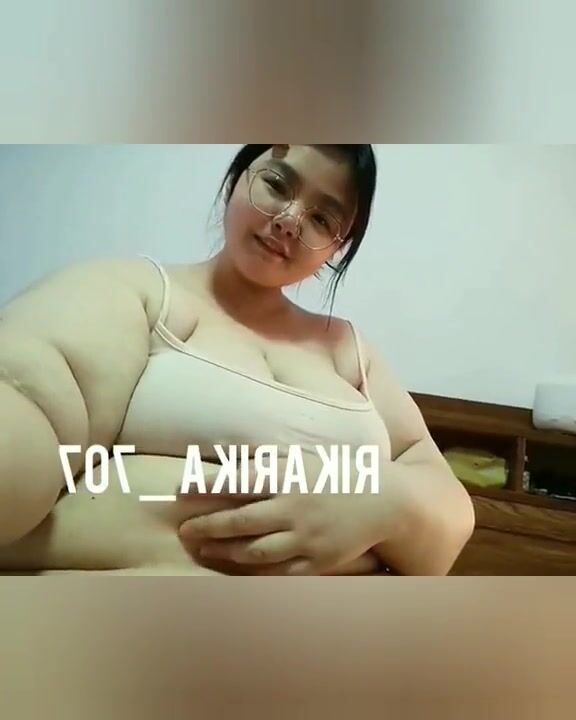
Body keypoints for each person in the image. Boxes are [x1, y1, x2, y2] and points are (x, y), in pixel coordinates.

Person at [0, 144, 474, 575]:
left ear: (337, 248)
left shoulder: (351, 351)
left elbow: (446, 515)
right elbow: (34, 386)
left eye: (322, 220)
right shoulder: (140, 293)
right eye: (277, 185)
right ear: (236, 179)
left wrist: (383, 504)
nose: (289, 220)